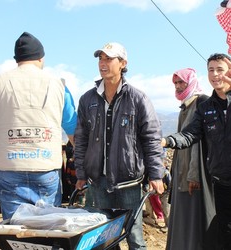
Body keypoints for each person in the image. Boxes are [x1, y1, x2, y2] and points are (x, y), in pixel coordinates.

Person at [74, 42, 165, 249]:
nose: (103, 63)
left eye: (109, 59)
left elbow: (151, 138)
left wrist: (156, 175)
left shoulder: (137, 98)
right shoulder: (87, 99)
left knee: (134, 237)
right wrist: (80, 174)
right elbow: (81, 139)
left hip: (129, 182)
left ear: (123, 63)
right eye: (100, 59)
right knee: (103, 237)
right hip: (97, 183)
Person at [0, 32, 77, 220]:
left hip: (8, 167)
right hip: (46, 167)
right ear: (41, 58)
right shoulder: (59, 85)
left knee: (15, 225)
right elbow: (73, 131)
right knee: (47, 226)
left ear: (17, 59)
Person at [162, 53, 231, 250]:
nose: (216, 75)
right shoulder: (207, 107)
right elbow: (190, 135)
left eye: (220, 69)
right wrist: (166, 141)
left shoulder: (203, 100)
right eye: (211, 70)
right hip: (221, 184)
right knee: (223, 235)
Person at [164, 68, 216, 250]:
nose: (178, 87)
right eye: (176, 83)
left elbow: (197, 141)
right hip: (181, 171)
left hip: (194, 175)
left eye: (182, 83)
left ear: (191, 82)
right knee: (182, 219)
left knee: (194, 220)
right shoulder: (185, 106)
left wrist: (193, 175)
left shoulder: (201, 102)